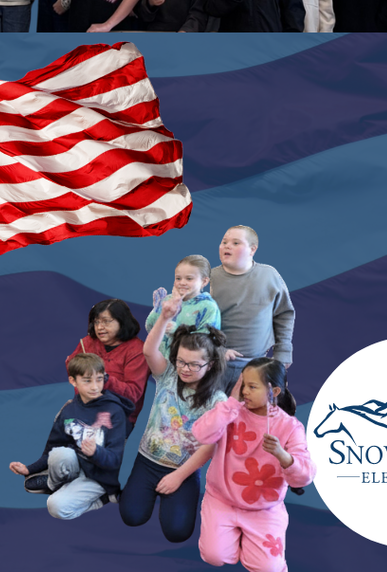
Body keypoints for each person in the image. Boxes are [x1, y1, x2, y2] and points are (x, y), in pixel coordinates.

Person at [193, 359, 316, 572]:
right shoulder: (231, 412)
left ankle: (254, 546)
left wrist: (281, 455)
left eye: (252, 386)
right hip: (222, 500)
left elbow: (305, 475)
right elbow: (200, 433)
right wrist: (231, 402)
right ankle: (235, 539)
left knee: (270, 568)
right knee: (214, 556)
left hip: (264, 510)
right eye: (244, 385)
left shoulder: (290, 426)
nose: (245, 392)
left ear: (274, 390)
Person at [119, 321, 227, 542]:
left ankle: (175, 495)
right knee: (132, 517)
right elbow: (149, 350)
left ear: (211, 364)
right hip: (147, 461)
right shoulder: (167, 375)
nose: (186, 369)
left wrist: (178, 477)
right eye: (181, 362)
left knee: (177, 533)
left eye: (194, 365)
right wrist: (164, 316)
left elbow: (210, 447)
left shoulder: (217, 401)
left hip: (183, 469)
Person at [9, 353, 128, 520]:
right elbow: (51, 449)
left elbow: (115, 460)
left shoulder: (114, 412)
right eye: (87, 380)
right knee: (60, 454)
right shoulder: (69, 410)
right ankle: (55, 485)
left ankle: (102, 498)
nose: (95, 386)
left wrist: (96, 453)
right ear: (73, 381)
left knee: (55, 507)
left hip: (99, 476)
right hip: (74, 467)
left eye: (99, 379)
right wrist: (28, 469)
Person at [210, 226, 294, 391]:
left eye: (236, 243)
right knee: (215, 414)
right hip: (215, 365)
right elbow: (196, 321)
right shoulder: (208, 278)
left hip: (256, 366)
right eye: (224, 242)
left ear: (252, 249)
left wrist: (283, 352)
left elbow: (284, 314)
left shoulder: (269, 275)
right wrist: (216, 350)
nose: (227, 246)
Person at [65, 299, 148, 433]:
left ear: (122, 321)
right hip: (84, 409)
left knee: (97, 452)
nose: (99, 327)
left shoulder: (137, 350)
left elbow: (133, 395)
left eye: (106, 321)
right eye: (97, 322)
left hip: (118, 416)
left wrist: (104, 379)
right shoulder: (87, 343)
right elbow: (73, 371)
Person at [146, 255, 221, 358]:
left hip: (189, 365)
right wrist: (157, 310)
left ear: (204, 281)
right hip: (162, 363)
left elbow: (206, 343)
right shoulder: (168, 300)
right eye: (178, 278)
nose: (182, 283)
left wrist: (177, 331)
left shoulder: (208, 307)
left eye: (189, 279)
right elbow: (150, 328)